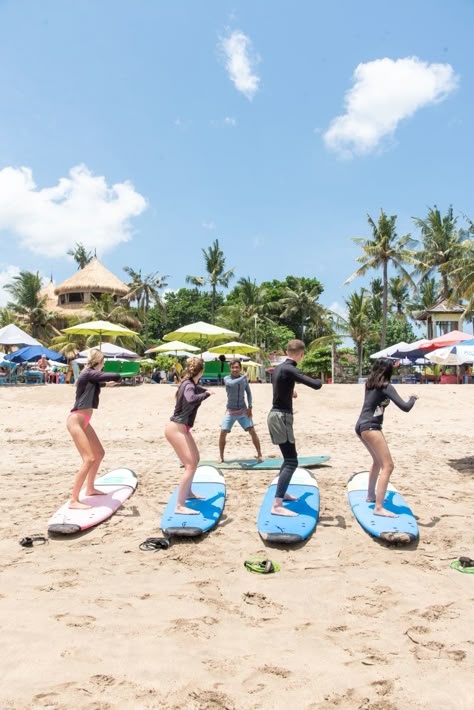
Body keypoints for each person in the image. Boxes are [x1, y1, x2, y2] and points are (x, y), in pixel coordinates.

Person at [355, 357, 418, 518]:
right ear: (389, 371)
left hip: (361, 425)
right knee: (388, 466)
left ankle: (370, 495)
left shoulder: (369, 384)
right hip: (371, 426)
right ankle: (378, 507)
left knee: (377, 462)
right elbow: (405, 407)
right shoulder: (386, 386)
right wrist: (412, 398)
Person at [267, 339, 322, 516]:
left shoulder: (279, 368)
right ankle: (276, 505)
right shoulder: (290, 368)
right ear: (301, 354)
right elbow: (316, 385)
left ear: (286, 351)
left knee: (287, 459)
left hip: (276, 416)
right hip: (281, 417)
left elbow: (280, 386)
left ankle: (282, 493)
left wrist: (291, 392)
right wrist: (319, 380)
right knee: (292, 461)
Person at [67, 349, 121, 509]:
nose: (103, 365)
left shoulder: (90, 376)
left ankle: (90, 488)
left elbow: (97, 382)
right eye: (103, 362)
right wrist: (118, 375)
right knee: (89, 458)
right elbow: (107, 376)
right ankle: (73, 500)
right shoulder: (88, 373)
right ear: (99, 361)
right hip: (75, 421)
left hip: (84, 421)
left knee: (99, 453)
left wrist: (106, 384)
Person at [164, 357, 213, 514]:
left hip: (182, 428)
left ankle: (189, 493)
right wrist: (207, 395)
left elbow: (196, 391)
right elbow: (191, 398)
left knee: (195, 459)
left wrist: (205, 391)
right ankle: (179, 505)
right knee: (190, 465)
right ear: (201, 371)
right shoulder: (188, 385)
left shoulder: (191, 384)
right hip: (176, 429)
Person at [219, 360, 263, 463]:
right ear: (230, 369)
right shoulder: (227, 379)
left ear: (240, 368)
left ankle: (259, 454)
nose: (235, 369)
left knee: (252, 430)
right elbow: (232, 383)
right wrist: (244, 377)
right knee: (223, 432)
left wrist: (250, 407)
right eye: (233, 367)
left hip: (243, 410)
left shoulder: (243, 380)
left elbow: (249, 393)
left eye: (237, 367)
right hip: (230, 411)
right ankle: (221, 456)